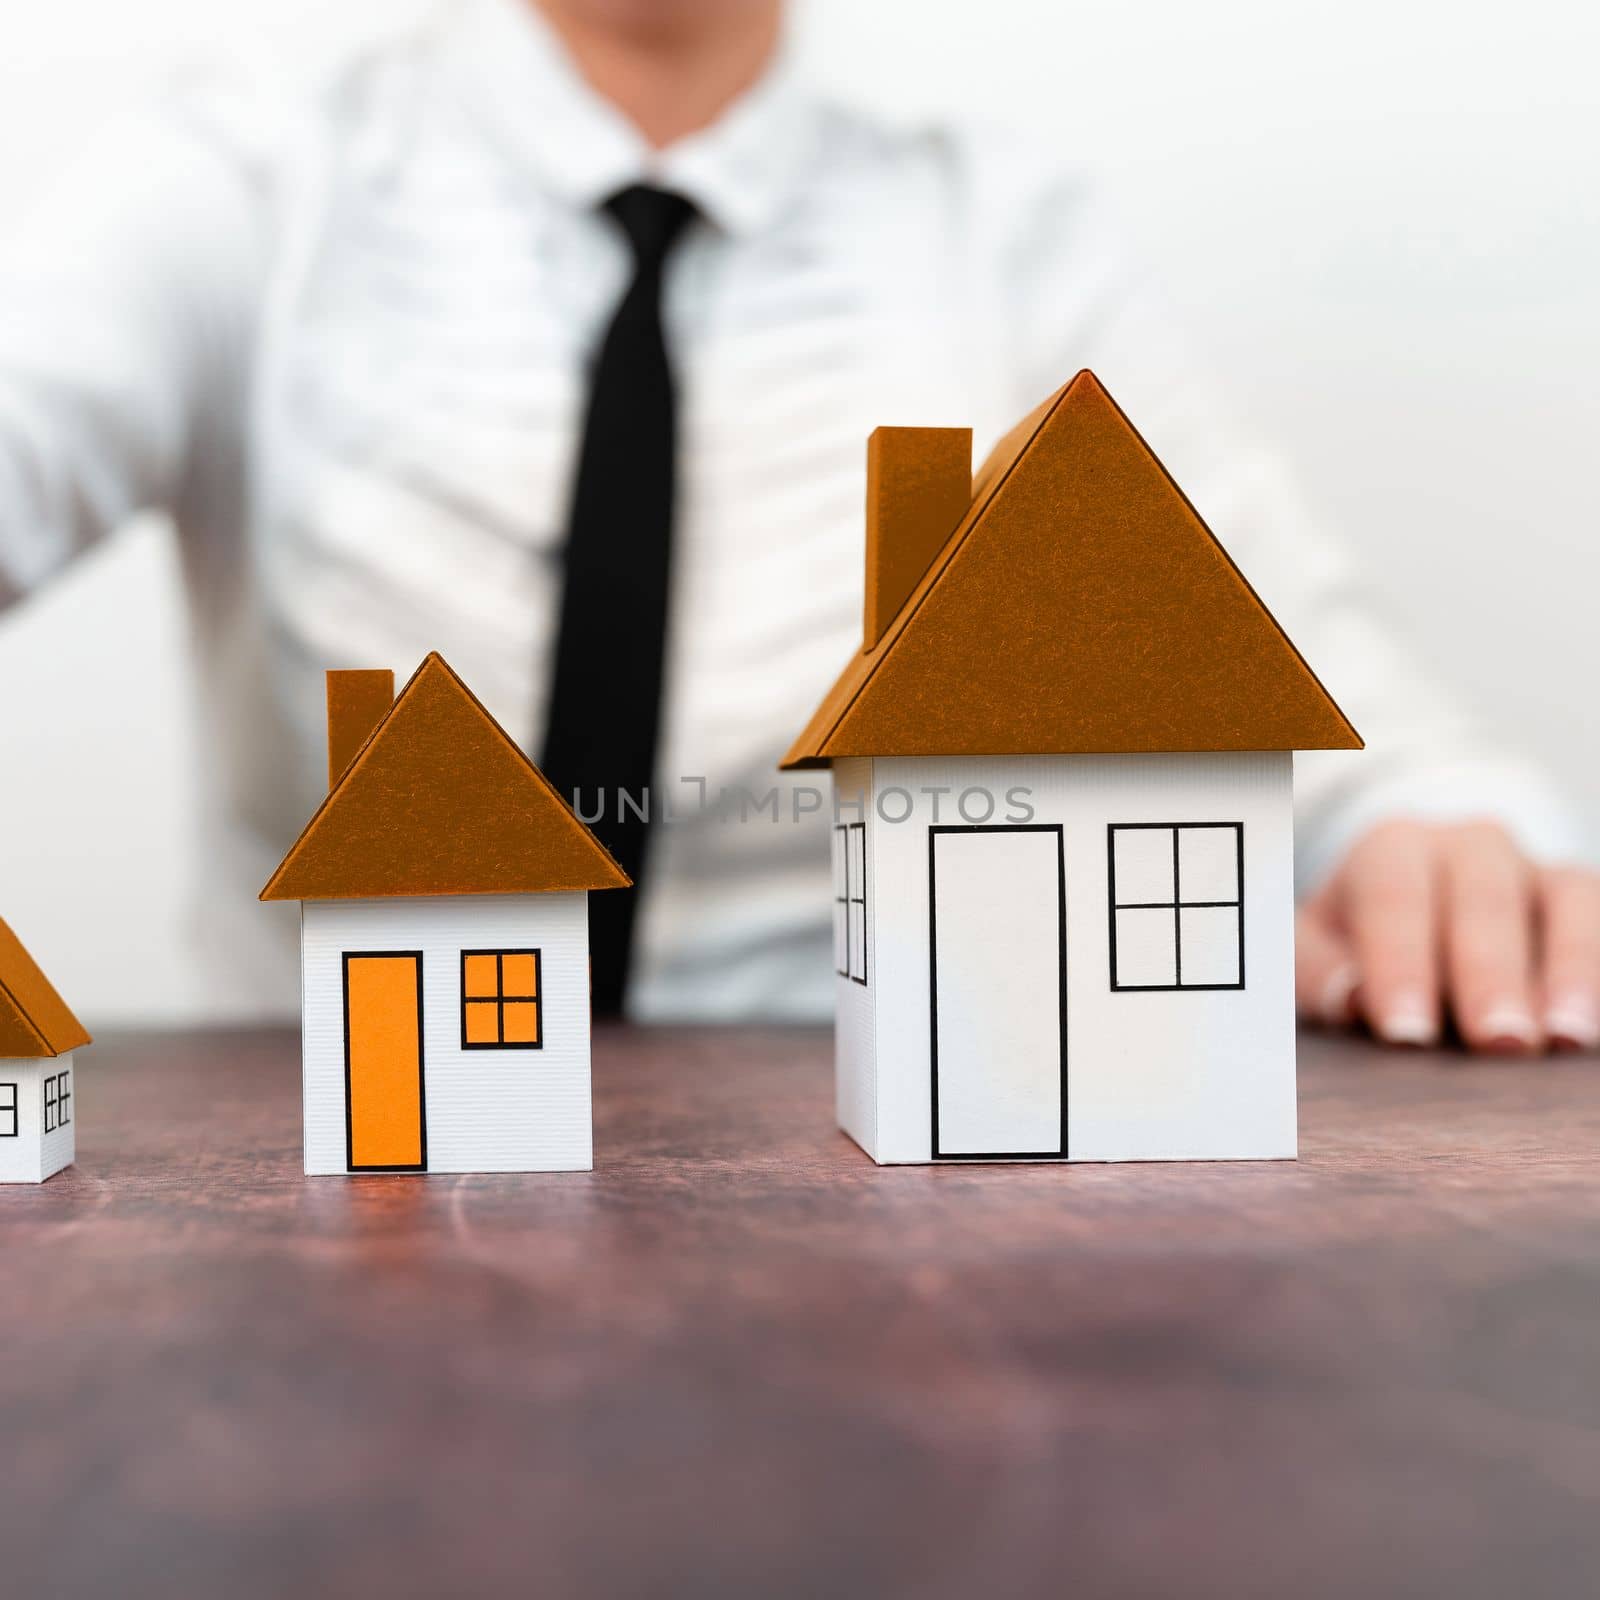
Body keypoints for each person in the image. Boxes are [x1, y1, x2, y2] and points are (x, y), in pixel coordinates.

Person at [0, 0, 1593, 1050]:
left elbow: (1325, 697)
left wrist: (1442, 830)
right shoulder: (247, 184)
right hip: (356, 1165)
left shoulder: (1001, 242)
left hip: (861, 1177)